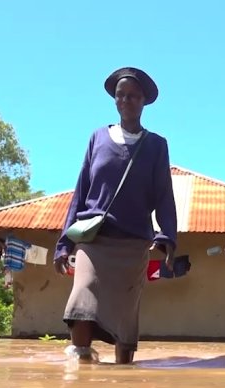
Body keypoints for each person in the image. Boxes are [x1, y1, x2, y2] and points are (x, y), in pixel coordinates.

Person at [54, 67, 177, 365]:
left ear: (144, 101)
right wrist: (64, 244)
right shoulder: (97, 138)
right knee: (81, 301)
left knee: (125, 319)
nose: (126, 101)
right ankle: (80, 372)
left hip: (134, 244)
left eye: (133, 96)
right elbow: (81, 190)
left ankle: (123, 382)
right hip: (94, 240)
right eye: (120, 95)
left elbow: (163, 194)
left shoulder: (156, 145)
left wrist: (167, 238)